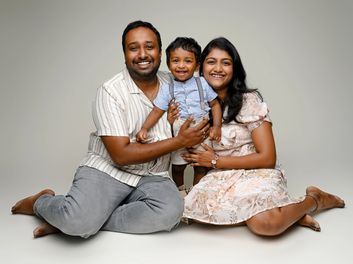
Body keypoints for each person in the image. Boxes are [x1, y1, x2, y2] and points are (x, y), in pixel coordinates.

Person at [10, 20, 209, 238]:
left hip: (153, 175)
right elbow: (120, 155)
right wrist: (180, 142)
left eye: (149, 47)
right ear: (124, 54)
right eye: (134, 48)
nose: (143, 54)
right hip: (108, 170)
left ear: (161, 53)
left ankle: (82, 220)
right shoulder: (110, 91)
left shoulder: (176, 83)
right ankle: (41, 203)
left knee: (171, 212)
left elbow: (208, 97)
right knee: (78, 221)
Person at [181, 37, 345, 236]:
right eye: (211, 61)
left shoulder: (249, 100)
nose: (218, 68)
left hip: (256, 171)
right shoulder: (193, 106)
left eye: (226, 62)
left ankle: (314, 200)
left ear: (235, 69)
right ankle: (291, 215)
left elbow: (268, 158)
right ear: (201, 67)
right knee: (196, 214)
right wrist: (199, 186)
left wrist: (215, 160)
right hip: (219, 176)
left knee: (265, 225)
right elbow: (200, 161)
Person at [136, 37, 222, 191]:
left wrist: (216, 126)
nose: (181, 65)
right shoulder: (167, 88)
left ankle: (196, 194)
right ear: (168, 65)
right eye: (176, 61)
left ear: (197, 65)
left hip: (202, 131)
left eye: (188, 61)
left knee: (201, 167)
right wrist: (144, 128)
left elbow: (215, 104)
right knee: (177, 168)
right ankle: (181, 192)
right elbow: (157, 110)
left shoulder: (202, 83)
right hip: (179, 134)